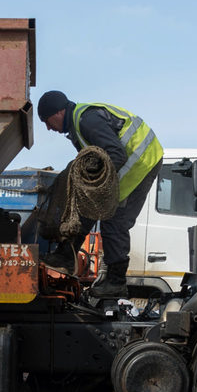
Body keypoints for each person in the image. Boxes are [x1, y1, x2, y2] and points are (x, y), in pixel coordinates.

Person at [36, 89, 163, 300]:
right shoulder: (78, 126)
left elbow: (116, 154)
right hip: (133, 163)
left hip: (141, 162)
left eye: (47, 121)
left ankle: (116, 282)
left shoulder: (87, 120)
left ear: (58, 112)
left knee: (114, 220)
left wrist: (97, 184)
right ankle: (66, 255)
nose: (48, 127)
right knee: (91, 203)